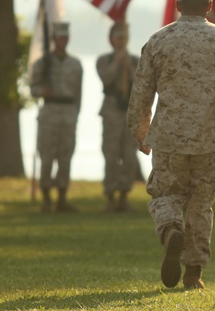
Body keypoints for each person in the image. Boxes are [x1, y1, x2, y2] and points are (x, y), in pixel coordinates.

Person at [127, 0, 215, 290]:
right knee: (200, 205)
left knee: (166, 194)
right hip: (210, 140)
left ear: (178, 4)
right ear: (210, 6)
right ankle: (193, 273)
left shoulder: (158, 40)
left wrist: (139, 131)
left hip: (168, 138)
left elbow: (141, 93)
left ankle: (171, 229)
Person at [30, 21, 83, 213]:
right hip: (49, 113)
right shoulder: (43, 63)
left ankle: (62, 198)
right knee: (46, 156)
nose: (63, 40)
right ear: (53, 39)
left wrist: (75, 115)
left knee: (65, 156)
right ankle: (46, 199)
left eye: (65, 37)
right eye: (60, 37)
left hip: (68, 113)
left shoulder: (75, 64)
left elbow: (78, 94)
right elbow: (32, 88)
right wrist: (42, 90)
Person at [96, 21, 141, 212]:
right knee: (111, 154)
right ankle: (110, 194)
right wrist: (117, 62)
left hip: (130, 111)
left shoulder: (135, 60)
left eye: (124, 36)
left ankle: (124, 194)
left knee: (129, 155)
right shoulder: (104, 60)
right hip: (112, 111)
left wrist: (129, 68)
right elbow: (106, 78)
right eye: (117, 36)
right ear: (111, 39)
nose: (120, 40)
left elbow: (141, 83)